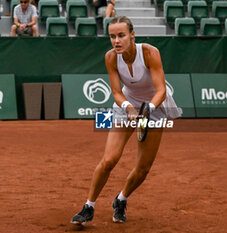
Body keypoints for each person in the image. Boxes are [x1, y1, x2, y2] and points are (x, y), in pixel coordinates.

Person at [70, 16, 181, 225]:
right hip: (126, 106)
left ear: (132, 35)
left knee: (143, 167)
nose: (116, 41)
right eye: (112, 36)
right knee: (109, 160)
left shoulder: (149, 52)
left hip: (154, 108)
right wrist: (129, 109)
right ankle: (88, 207)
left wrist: (148, 110)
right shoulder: (111, 57)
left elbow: (161, 90)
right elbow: (115, 92)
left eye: (121, 35)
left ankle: (121, 200)